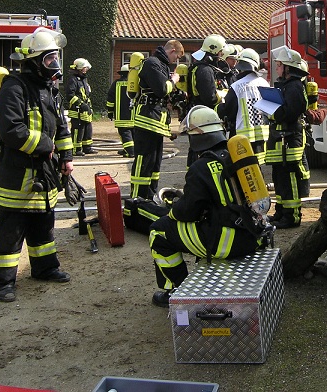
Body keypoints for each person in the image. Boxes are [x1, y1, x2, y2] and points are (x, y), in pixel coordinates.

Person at [0, 26, 74, 303]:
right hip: (18, 172)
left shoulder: (49, 89)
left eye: (55, 58)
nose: (54, 64)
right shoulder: (13, 88)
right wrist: (47, 146)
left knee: (43, 224)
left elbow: (61, 126)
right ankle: (2, 282)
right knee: (9, 230)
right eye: (49, 59)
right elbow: (12, 130)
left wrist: (66, 158)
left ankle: (45, 268)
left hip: (45, 171)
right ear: (33, 61)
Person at [148, 106, 266, 307]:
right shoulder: (238, 157)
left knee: (158, 232)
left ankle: (176, 291)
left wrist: (172, 211)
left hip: (226, 243)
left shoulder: (200, 167)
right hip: (253, 236)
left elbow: (188, 212)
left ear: (197, 137)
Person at [131, 40, 184, 199]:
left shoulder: (162, 66)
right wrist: (174, 80)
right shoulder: (152, 63)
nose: (176, 61)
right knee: (144, 162)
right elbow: (161, 89)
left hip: (156, 122)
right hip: (146, 120)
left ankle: (150, 197)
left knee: (154, 163)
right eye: (177, 57)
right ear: (172, 50)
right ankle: (137, 199)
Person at [265, 45, 309, 229]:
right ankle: (281, 212)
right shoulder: (287, 86)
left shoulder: (294, 87)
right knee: (280, 177)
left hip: (290, 140)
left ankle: (292, 216)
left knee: (289, 177)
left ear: (288, 68)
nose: (276, 68)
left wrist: (273, 111)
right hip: (282, 138)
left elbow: (290, 113)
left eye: (279, 65)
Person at [217, 48, 270, 163]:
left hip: (241, 136)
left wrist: (218, 107)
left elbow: (228, 111)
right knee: (257, 166)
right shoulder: (264, 83)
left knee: (243, 167)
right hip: (262, 135)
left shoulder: (236, 86)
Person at [187, 34, 227, 165]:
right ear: (214, 52)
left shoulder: (197, 67)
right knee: (203, 149)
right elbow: (210, 97)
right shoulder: (205, 70)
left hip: (196, 113)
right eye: (220, 52)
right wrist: (223, 95)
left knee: (195, 148)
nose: (221, 56)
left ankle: (193, 172)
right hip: (203, 117)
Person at [65, 58, 96, 155]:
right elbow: (70, 95)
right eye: (84, 68)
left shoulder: (83, 79)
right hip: (77, 110)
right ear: (79, 68)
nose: (86, 69)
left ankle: (87, 147)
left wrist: (87, 106)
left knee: (87, 128)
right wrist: (81, 104)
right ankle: (76, 149)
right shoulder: (73, 79)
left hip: (85, 109)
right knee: (78, 129)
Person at [106, 63, 135, 158]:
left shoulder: (116, 84)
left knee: (125, 133)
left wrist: (110, 112)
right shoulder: (135, 83)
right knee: (134, 133)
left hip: (121, 115)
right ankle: (129, 149)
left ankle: (131, 151)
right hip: (134, 115)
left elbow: (110, 100)